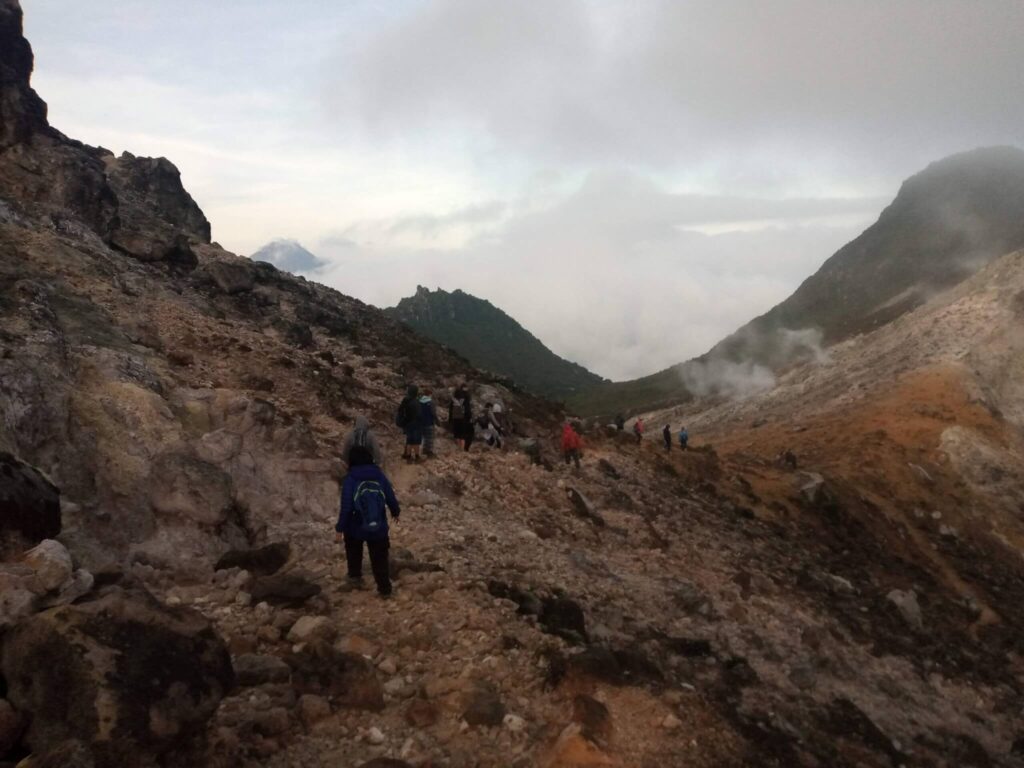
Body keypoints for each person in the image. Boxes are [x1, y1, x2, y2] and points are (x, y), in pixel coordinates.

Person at [335, 450, 400, 597]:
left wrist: (340, 528)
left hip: (355, 525)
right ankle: (385, 589)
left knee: (353, 550)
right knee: (379, 557)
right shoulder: (380, 476)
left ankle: (355, 578)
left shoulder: (350, 479)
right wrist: (395, 512)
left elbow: (346, 507)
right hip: (378, 524)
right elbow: (390, 496)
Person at [396, 385, 423, 461]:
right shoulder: (416, 402)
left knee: (409, 440)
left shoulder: (405, 400)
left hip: (407, 423)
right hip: (415, 423)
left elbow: (400, 410)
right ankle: (417, 457)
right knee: (416, 441)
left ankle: (408, 456)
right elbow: (419, 414)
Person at [449, 384, 474, 452]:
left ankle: (458, 448)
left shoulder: (453, 401)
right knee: (463, 435)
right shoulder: (465, 400)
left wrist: (450, 419)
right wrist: (469, 418)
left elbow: (450, 411)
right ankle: (462, 449)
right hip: (463, 419)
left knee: (456, 434)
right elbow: (467, 410)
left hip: (455, 418)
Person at [418, 388, 438, 457]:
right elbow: (433, 413)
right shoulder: (431, 402)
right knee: (429, 438)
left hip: (420, 422)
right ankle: (428, 451)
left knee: (423, 437)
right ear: (430, 394)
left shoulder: (419, 401)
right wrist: (437, 421)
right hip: (429, 422)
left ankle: (423, 450)